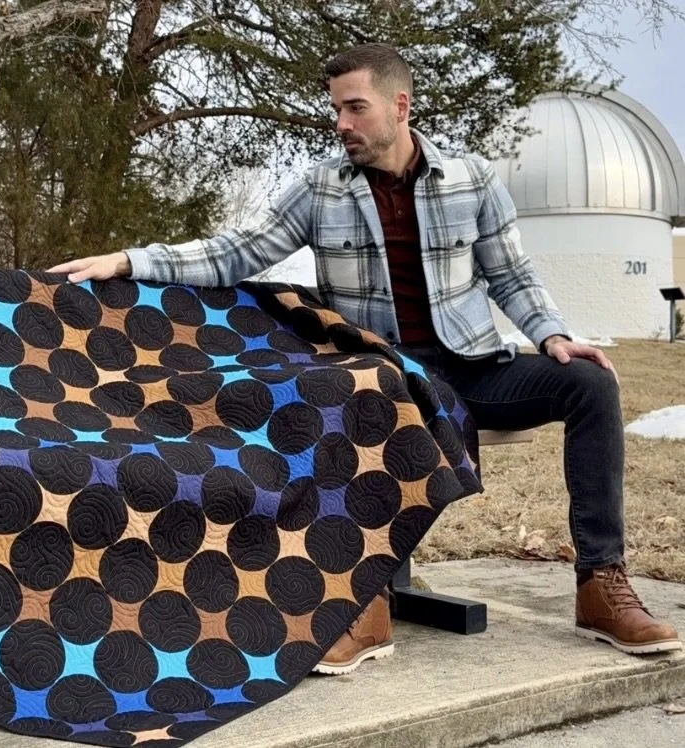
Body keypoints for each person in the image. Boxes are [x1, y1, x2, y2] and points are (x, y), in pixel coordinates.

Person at [48, 43, 681, 673]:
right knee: (366, 391)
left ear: (399, 106)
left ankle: (601, 585)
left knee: (590, 385)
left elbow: (511, 277)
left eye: (356, 107)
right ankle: (366, 603)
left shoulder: (473, 180)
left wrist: (552, 337)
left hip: (467, 365)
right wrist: (129, 261)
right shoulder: (322, 189)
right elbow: (235, 253)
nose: (342, 123)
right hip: (379, 369)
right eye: (336, 110)